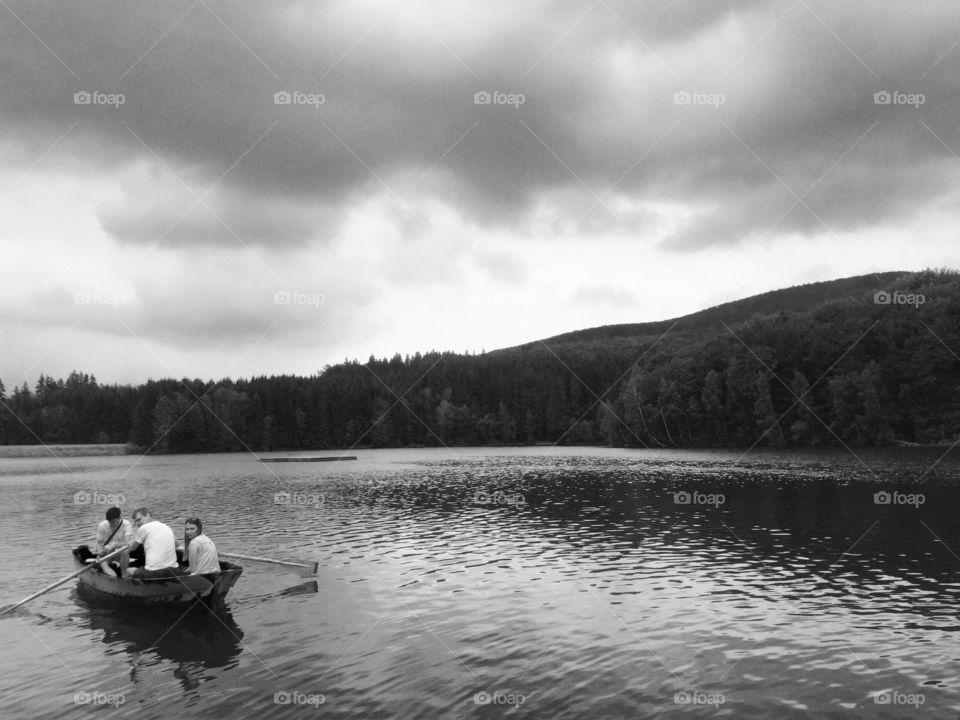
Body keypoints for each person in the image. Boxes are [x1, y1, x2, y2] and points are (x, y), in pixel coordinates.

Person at [126, 507, 179, 578]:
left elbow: (132, 548)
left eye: (139, 519)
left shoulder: (143, 528)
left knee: (128, 570)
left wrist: (121, 550)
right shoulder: (166, 526)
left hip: (153, 572)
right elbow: (176, 545)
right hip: (173, 569)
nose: (138, 523)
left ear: (148, 515)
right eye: (136, 522)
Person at [94, 506, 133, 577]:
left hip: (119, 553)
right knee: (112, 574)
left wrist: (114, 545)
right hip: (106, 554)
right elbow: (99, 543)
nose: (112, 524)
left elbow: (127, 543)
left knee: (125, 551)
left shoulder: (127, 525)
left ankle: (124, 575)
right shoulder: (102, 526)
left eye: (114, 522)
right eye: (110, 522)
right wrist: (100, 553)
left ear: (119, 517)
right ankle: (112, 576)